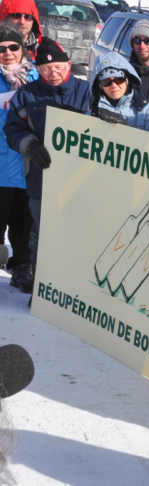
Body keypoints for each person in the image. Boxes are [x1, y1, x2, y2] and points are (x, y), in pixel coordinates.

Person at [3, 37, 91, 284]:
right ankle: (41, 287)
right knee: (41, 233)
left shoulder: (87, 92)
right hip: (41, 177)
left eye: (58, 68)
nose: (53, 74)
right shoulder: (26, 95)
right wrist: (31, 146)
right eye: (45, 69)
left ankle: (76, 285)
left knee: (80, 232)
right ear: (37, 70)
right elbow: (12, 130)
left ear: (69, 65)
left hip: (81, 178)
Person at [0, 22, 36, 293]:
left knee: (24, 223)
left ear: (22, 48)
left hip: (28, 165)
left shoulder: (36, 77)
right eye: (1, 49)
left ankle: (22, 266)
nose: (8, 53)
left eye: (13, 47)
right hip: (1, 165)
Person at [88, 51, 149, 135]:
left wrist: (127, 131)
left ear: (127, 80)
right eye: (106, 82)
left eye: (118, 79)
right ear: (99, 86)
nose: (113, 86)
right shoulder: (91, 116)